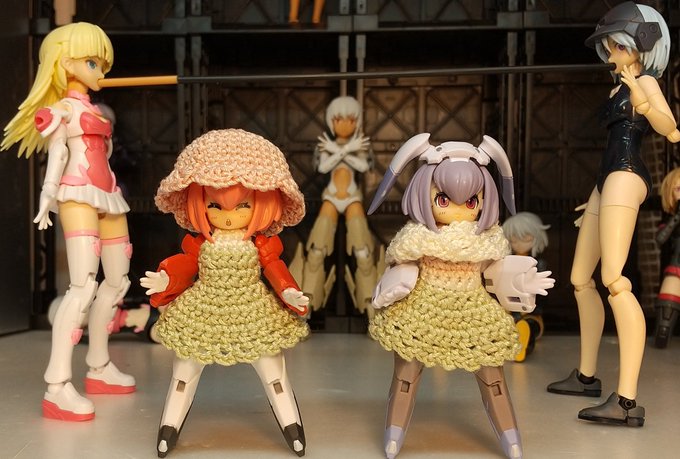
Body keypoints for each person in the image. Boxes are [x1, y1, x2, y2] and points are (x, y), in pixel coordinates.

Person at [367, 133, 554, 459]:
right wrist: (393, 286)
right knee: (407, 372)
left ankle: (509, 436)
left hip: (474, 309)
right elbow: (401, 265)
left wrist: (520, 280)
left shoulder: (487, 241)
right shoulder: (416, 238)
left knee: (493, 376)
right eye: (443, 200)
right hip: (423, 308)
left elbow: (494, 272)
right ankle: (394, 432)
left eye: (470, 202)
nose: (458, 211)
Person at [547, 2, 680, 427]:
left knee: (615, 280)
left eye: (618, 45)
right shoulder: (618, 86)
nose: (610, 53)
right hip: (607, 180)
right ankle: (586, 377)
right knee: (579, 278)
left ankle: (626, 401)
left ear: (642, 45)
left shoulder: (647, 82)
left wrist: (644, 99)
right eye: (609, 46)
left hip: (627, 176)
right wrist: (597, 198)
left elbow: (671, 130)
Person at [140, 129, 310, 457]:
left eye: (243, 205)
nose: (228, 216)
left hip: (253, 310)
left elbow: (275, 269)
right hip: (204, 310)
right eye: (215, 206)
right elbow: (185, 264)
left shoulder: (260, 244)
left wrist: (288, 292)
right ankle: (169, 426)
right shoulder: (201, 243)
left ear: (263, 203)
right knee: (185, 370)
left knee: (272, 371)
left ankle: (291, 425)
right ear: (198, 202)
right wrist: (166, 278)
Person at [1, 22, 135, 421]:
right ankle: (57, 386)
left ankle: (99, 366)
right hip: (77, 192)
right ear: (66, 63)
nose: (101, 71)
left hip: (108, 192)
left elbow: (102, 154)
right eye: (93, 62)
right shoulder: (62, 110)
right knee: (82, 287)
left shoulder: (93, 109)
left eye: (103, 64)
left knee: (117, 281)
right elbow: (58, 154)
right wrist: (47, 197)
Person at [290, 96, 379, 316]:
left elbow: (363, 166)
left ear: (357, 121)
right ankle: (306, 305)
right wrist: (345, 150)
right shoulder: (326, 146)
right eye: (340, 119)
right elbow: (323, 168)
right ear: (332, 121)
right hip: (330, 197)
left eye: (351, 119)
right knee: (316, 252)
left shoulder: (359, 145)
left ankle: (371, 305)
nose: (345, 124)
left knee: (363, 253)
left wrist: (341, 150)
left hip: (352, 198)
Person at [502, 212, 550, 361]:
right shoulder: (505, 262)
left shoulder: (538, 264)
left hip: (530, 313)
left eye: (525, 238)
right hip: (508, 311)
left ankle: (524, 341)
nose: (518, 243)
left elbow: (543, 292)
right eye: (513, 239)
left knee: (530, 324)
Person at [653, 167, 680, 347]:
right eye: (678, 189)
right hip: (677, 266)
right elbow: (660, 239)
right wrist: (677, 217)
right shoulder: (671, 220)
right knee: (664, 325)